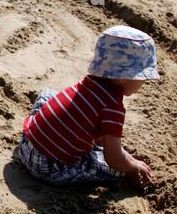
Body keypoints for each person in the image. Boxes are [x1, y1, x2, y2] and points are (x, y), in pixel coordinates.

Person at [15, 25, 158, 186]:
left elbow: (96, 129)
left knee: (48, 94)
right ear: (126, 76)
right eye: (143, 78)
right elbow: (113, 158)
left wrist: (130, 158)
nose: (143, 83)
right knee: (116, 169)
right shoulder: (112, 107)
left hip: (27, 144)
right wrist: (132, 167)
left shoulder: (88, 83)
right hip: (47, 167)